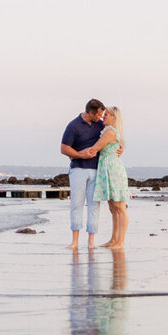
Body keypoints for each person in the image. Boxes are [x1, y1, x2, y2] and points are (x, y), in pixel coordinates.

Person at [81, 106, 129, 249]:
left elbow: (94, 148)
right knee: (113, 207)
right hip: (106, 168)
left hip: (113, 169)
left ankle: (120, 242)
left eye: (106, 115)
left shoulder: (109, 132)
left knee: (120, 207)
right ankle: (113, 239)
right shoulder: (108, 131)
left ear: (114, 117)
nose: (103, 117)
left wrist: (75, 154)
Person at [60, 99, 106, 250]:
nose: (101, 117)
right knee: (76, 204)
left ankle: (91, 241)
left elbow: (111, 137)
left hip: (96, 170)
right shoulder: (73, 126)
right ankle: (74, 242)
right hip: (78, 170)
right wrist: (81, 155)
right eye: (98, 114)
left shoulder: (100, 125)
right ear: (90, 113)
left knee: (94, 205)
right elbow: (64, 149)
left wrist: (120, 148)